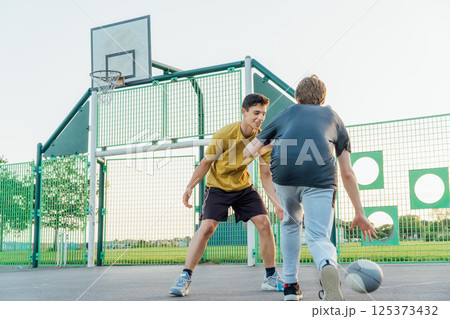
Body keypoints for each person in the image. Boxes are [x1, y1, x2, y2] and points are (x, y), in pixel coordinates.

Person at [244, 75, 377, 301]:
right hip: (320, 178)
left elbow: (249, 151)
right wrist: (359, 212)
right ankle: (327, 265)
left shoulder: (286, 113)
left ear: (297, 98)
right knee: (317, 235)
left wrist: (277, 142)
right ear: (323, 99)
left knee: (289, 224)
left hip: (285, 176)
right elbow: (347, 172)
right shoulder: (334, 118)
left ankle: (290, 287)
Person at [169, 93, 285, 297]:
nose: (260, 118)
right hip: (218, 187)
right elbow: (205, 163)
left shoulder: (263, 139)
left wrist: (276, 202)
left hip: (243, 187)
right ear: (244, 112)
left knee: (265, 224)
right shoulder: (224, 134)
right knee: (207, 227)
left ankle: (270, 277)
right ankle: (185, 277)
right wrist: (190, 186)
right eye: (256, 113)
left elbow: (265, 175)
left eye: (263, 114)